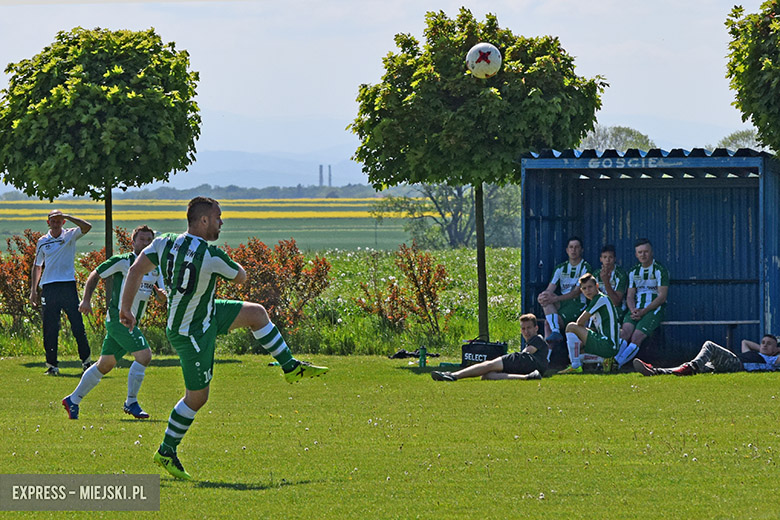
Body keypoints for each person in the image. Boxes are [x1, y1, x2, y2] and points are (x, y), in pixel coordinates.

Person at [119, 197, 328, 481]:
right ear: (204, 220)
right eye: (218, 217)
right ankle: (166, 451)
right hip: (190, 331)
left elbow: (135, 270)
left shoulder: (165, 241)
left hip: (206, 311)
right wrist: (228, 261)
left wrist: (125, 309)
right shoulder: (210, 254)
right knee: (197, 398)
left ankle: (290, 366)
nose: (221, 222)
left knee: (256, 313)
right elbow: (241, 277)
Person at [61, 225, 166, 420]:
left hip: (132, 323)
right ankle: (131, 402)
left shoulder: (155, 267)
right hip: (120, 320)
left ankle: (72, 400)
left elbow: (160, 297)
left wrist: (161, 296)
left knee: (105, 364)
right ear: (133, 242)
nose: (146, 243)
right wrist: (86, 300)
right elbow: (95, 274)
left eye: (149, 240)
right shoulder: (123, 261)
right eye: (142, 239)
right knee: (144, 356)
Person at [30, 209, 93, 376]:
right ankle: (52, 365)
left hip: (67, 286)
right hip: (49, 287)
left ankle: (86, 362)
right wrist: (33, 291)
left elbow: (87, 226)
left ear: (63, 222)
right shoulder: (42, 241)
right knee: (50, 328)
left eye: (59, 221)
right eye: (53, 221)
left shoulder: (70, 235)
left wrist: (67, 216)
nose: (56, 223)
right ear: (48, 223)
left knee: (77, 325)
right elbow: (37, 266)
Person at [430, 314, 548, 381]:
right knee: (487, 375)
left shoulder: (538, 338)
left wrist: (512, 357)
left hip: (526, 361)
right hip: (533, 368)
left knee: (489, 365)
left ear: (536, 328)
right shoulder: (535, 341)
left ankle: (453, 375)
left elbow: (527, 352)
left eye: (529, 328)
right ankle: (527, 377)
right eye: (523, 328)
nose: (526, 332)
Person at [614, 238, 669, 368]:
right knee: (624, 333)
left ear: (651, 252)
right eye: (640, 252)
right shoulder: (633, 271)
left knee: (636, 337)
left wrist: (643, 311)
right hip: (636, 309)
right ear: (636, 254)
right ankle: (612, 361)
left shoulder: (660, 270)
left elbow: (662, 297)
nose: (643, 255)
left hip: (653, 310)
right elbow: (630, 296)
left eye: (646, 251)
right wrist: (633, 309)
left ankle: (617, 363)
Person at [558, 272, 621, 374]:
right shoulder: (597, 301)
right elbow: (592, 329)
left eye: (590, 287)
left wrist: (579, 338)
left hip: (607, 344)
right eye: (584, 288)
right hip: (608, 345)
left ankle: (575, 366)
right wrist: (580, 345)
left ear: (597, 286)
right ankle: (605, 360)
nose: (587, 290)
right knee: (576, 353)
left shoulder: (600, 299)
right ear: (581, 290)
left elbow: (580, 322)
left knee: (571, 327)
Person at [633, 334, 780, 376]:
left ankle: (692, 366)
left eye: (769, 344)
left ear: (776, 349)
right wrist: (763, 348)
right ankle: (656, 371)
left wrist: (775, 352)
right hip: (728, 365)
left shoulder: (772, 360)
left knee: (710, 345)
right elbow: (745, 342)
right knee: (700, 368)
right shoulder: (755, 353)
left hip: (738, 365)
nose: (764, 345)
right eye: (763, 342)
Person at [537, 236, 592, 343]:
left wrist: (556, 299)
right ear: (567, 250)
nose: (573, 250)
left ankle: (555, 334)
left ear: (581, 250)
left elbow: (576, 292)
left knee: (549, 323)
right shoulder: (560, 268)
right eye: (571, 247)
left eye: (576, 247)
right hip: (562, 303)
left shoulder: (585, 267)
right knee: (545, 299)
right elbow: (549, 289)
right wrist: (542, 296)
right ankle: (555, 333)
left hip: (577, 305)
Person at [595, 245, 628, 321]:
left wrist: (606, 282)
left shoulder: (621, 274)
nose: (607, 260)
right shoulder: (596, 274)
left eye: (610, 257)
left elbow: (616, 302)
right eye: (605, 257)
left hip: (617, 309)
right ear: (600, 259)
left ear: (615, 259)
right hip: (600, 307)